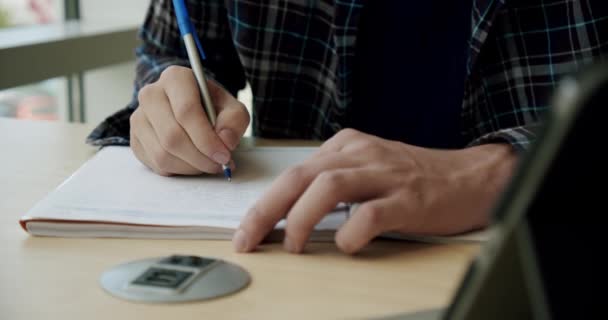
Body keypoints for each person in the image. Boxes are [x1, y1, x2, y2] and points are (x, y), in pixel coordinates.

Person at [87, 0, 608, 254]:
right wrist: (172, 100)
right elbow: (169, 51)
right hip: (302, 271)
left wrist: (506, 172)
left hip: (542, 260)